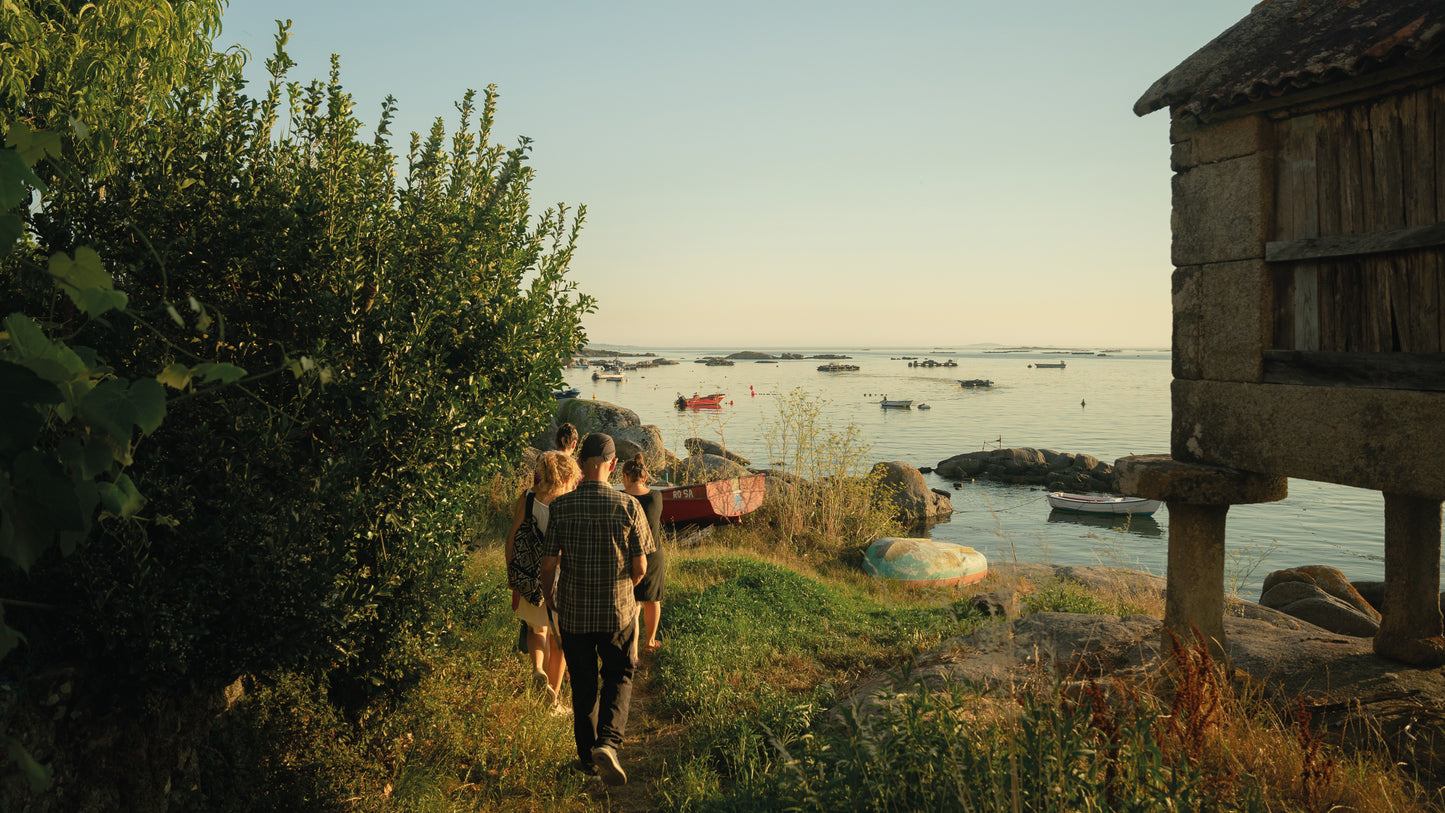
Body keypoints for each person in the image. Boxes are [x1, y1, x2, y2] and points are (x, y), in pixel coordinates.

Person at [541, 433, 654, 785]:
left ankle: (588, 763)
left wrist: (549, 597)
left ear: (581, 464)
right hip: (616, 612)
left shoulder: (560, 507)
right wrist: (626, 588)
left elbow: (547, 565)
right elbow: (641, 568)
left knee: (585, 686)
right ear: (612, 465)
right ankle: (608, 742)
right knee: (619, 674)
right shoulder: (629, 507)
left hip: (575, 613)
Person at [506, 450, 580, 709]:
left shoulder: (528, 498)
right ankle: (554, 699)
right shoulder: (570, 502)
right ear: (568, 474)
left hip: (529, 575)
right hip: (561, 579)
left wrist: (511, 573)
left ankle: (538, 668)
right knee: (560, 643)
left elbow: (512, 536)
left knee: (535, 630)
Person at [621, 454, 665, 655]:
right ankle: (650, 642)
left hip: (628, 556)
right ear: (645, 478)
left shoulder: (621, 498)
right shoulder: (656, 497)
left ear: (624, 476)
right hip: (653, 554)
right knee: (653, 600)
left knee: (634, 605)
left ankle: (634, 653)